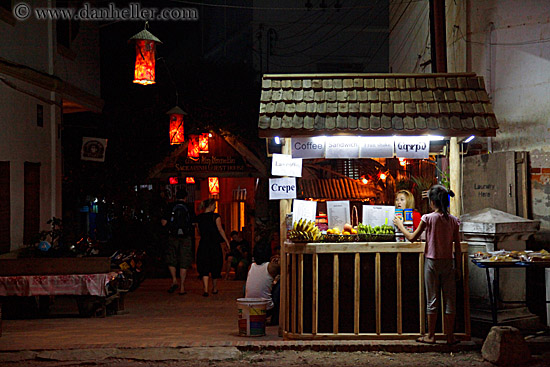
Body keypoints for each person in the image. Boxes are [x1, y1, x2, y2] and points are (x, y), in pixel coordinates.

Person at [393, 185, 461, 345]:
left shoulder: (428, 218)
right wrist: (458, 267)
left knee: (432, 299)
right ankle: (450, 336)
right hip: (449, 262)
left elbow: (411, 237)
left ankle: (431, 335)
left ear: (432, 202)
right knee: (450, 299)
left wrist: (400, 225)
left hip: (431, 262)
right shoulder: (453, 221)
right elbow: (457, 246)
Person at [161, 189, 195, 295]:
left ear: (175, 196)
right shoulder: (189, 207)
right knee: (184, 261)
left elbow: (163, 223)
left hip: (172, 236)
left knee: (172, 258)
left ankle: (174, 280)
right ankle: (182, 287)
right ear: (185, 197)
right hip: (185, 236)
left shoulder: (170, 206)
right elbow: (193, 223)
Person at [196, 198, 230, 296]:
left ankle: (205, 289)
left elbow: (199, 232)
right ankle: (214, 288)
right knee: (215, 265)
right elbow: (220, 230)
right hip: (214, 244)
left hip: (203, 244)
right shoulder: (216, 217)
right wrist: (227, 241)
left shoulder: (199, 218)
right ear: (210, 205)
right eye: (214, 205)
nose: (215, 207)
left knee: (204, 266)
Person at [245, 239, 281, 326]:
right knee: (280, 284)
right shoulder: (271, 266)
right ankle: (275, 319)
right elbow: (284, 267)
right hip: (266, 309)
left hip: (249, 307)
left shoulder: (251, 266)